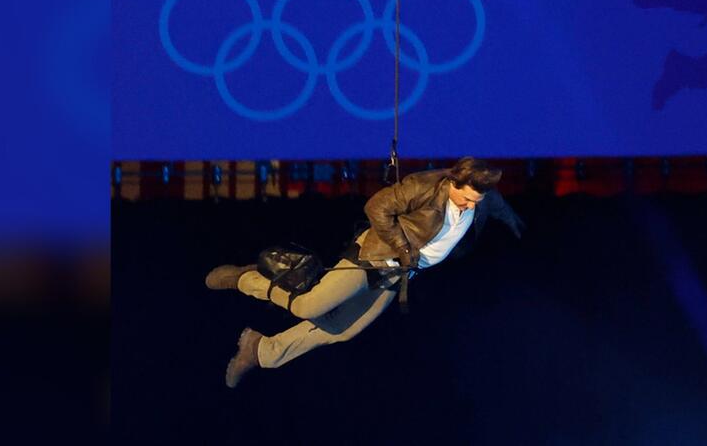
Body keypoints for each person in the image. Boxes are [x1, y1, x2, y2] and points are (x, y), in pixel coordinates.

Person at [205, 157, 524, 388]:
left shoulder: (480, 198)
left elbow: (494, 203)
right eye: (467, 199)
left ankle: (260, 350)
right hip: (374, 257)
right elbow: (376, 207)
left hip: (396, 276)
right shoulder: (425, 187)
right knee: (310, 306)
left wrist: (512, 220)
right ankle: (246, 279)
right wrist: (402, 248)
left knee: (341, 330)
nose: (471, 205)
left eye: (476, 201)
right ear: (454, 182)